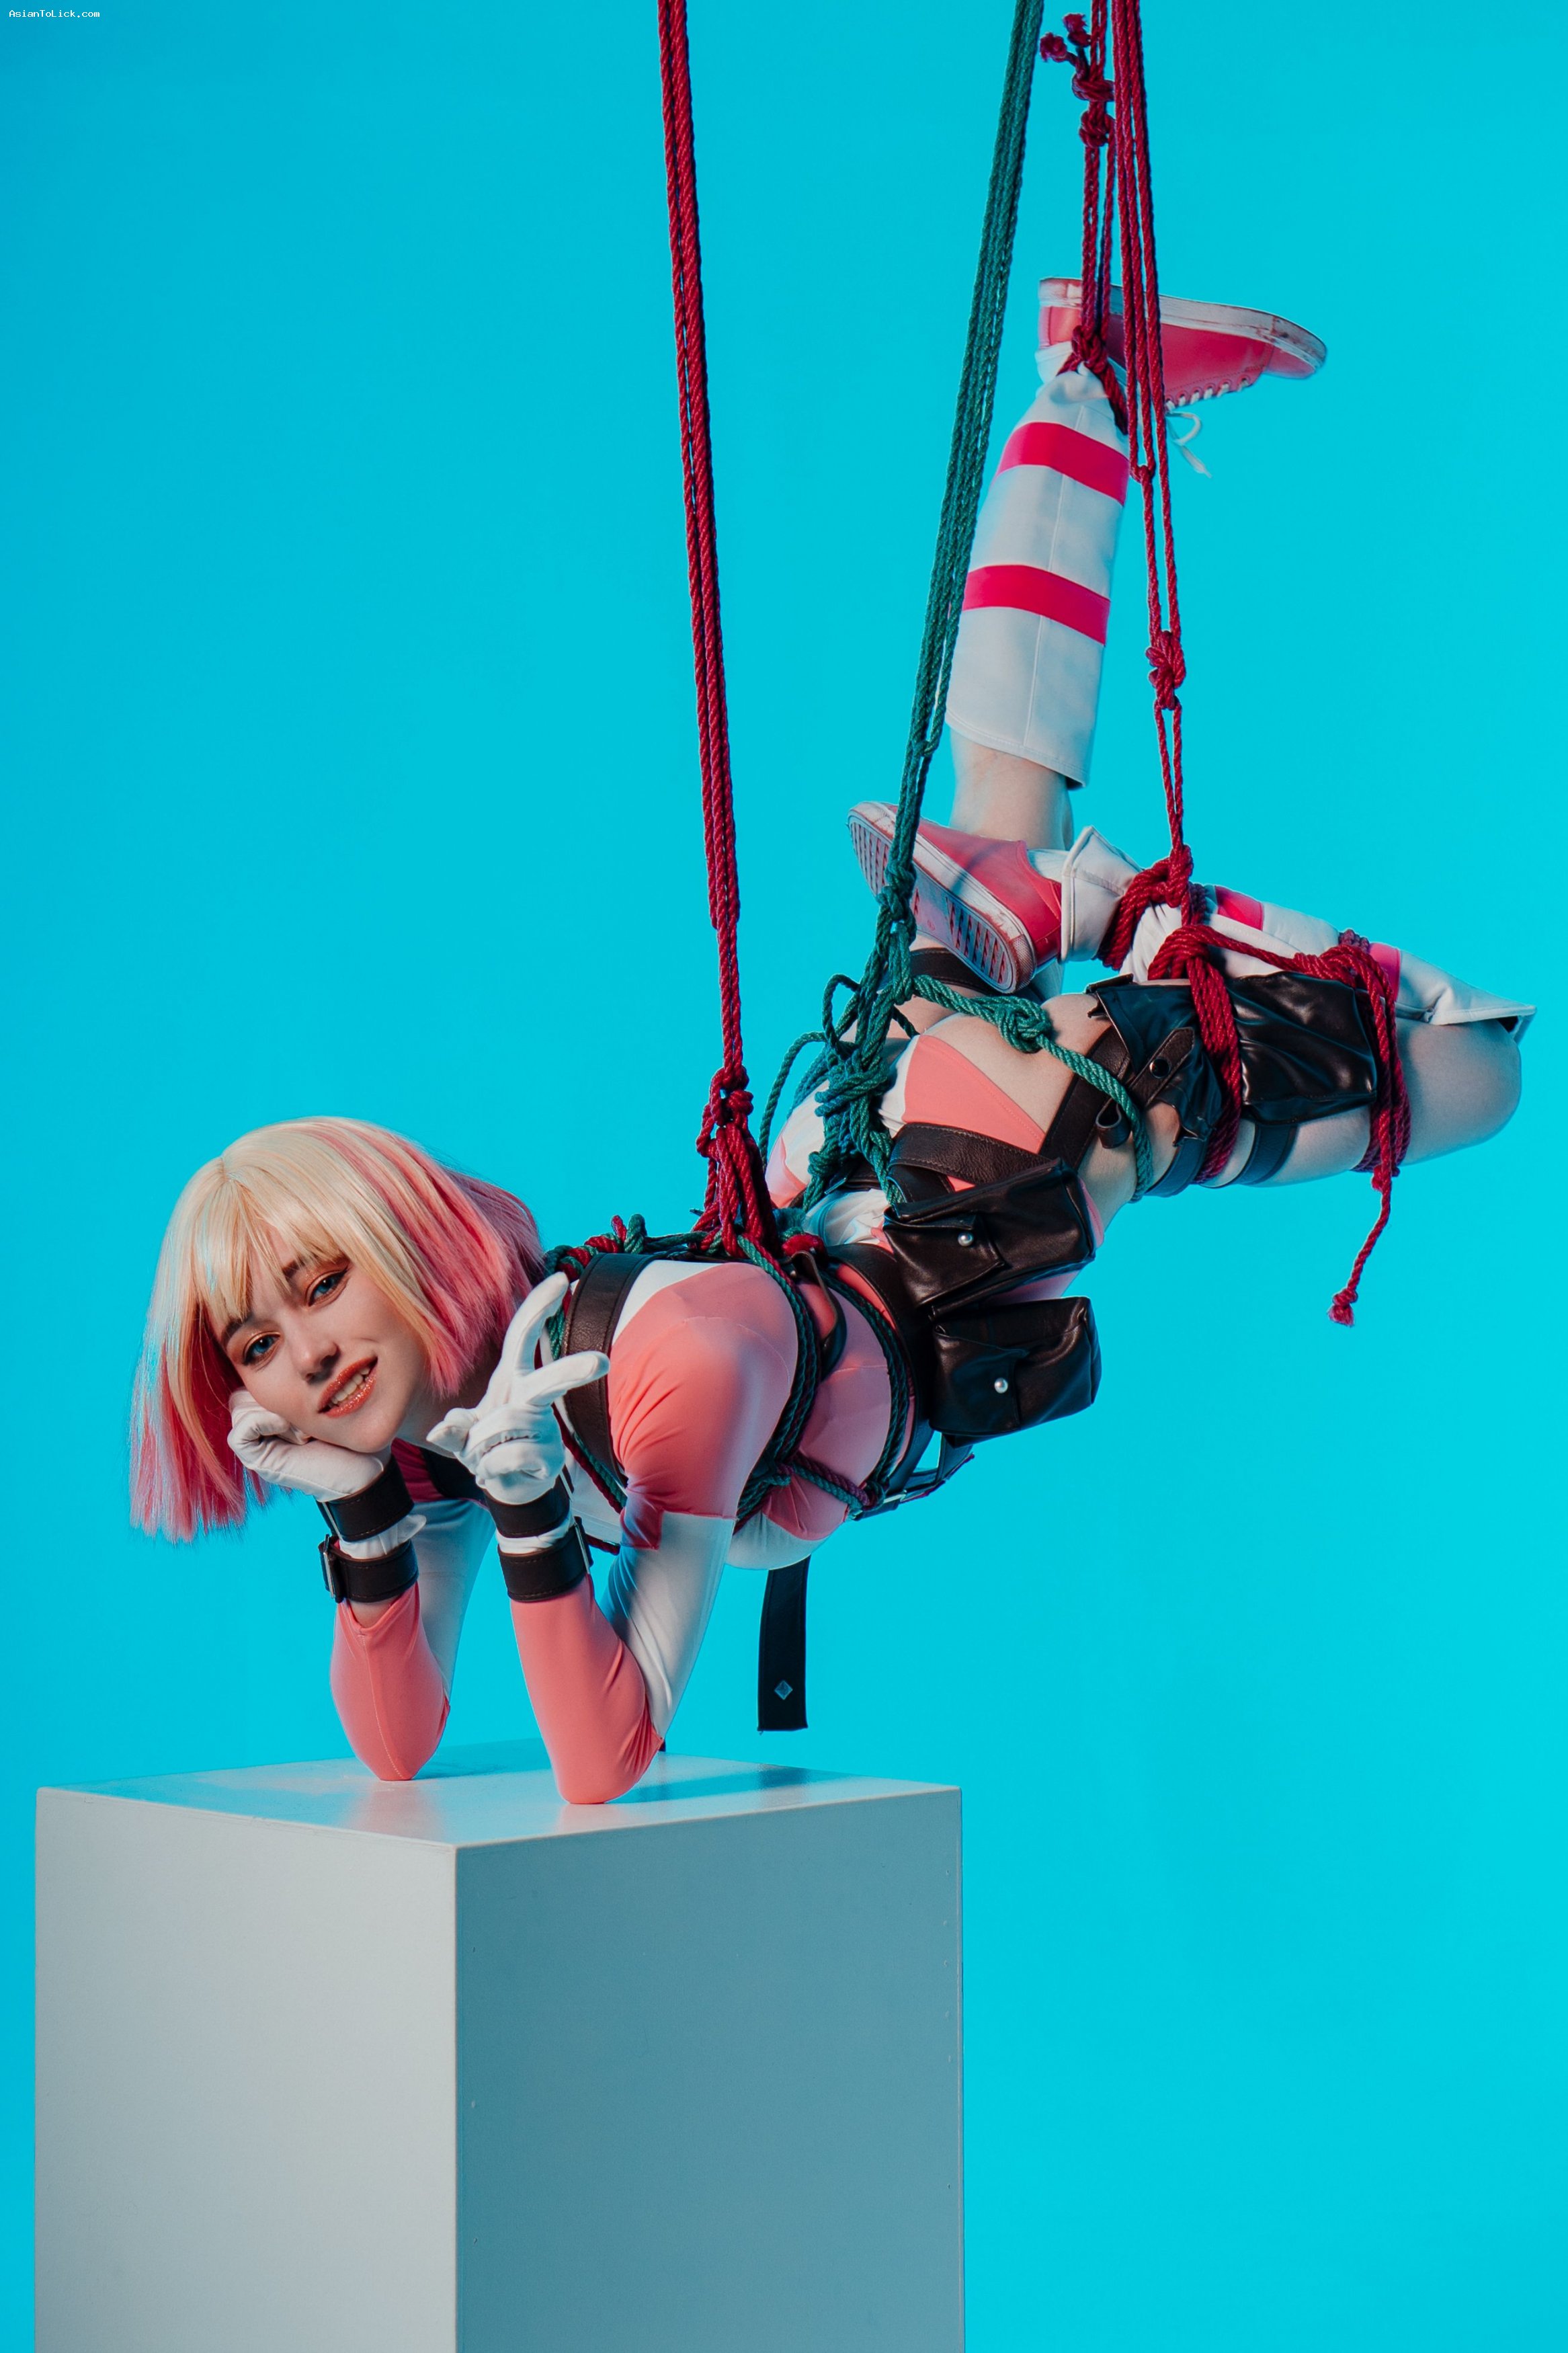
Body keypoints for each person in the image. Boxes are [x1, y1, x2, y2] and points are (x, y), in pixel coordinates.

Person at [131, 292, 1530, 1802]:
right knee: (998, 816)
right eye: (255, 1345)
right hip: (846, 1179)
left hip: (987, 1169)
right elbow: (396, 1746)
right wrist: (359, 1512)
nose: (306, 1356)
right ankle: (1090, 381)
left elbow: (603, 1754)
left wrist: (530, 1513)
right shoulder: (462, 1427)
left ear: (412, 1247)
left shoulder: (657, 1371)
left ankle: (1107, 907)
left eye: (320, 1286)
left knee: (1478, 1071)